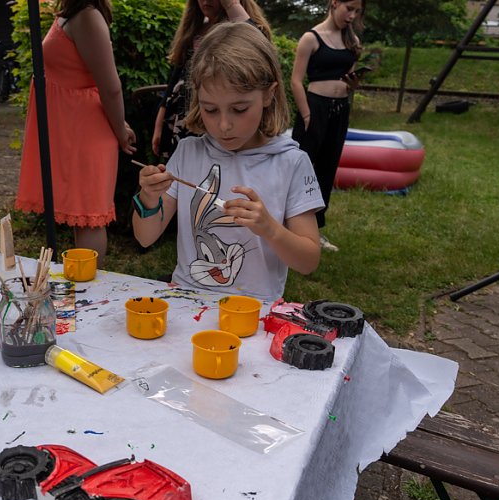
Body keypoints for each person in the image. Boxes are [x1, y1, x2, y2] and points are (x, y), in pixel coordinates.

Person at [134, 22, 324, 302]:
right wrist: (149, 198)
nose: (224, 125)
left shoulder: (291, 163)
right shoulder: (188, 153)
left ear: (269, 95)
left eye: (239, 108)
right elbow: (145, 237)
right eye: (210, 109)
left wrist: (269, 228)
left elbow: (308, 261)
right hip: (186, 302)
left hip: (253, 312)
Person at [16, 0, 136, 267]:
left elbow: (111, 86)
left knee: (90, 218)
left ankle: (89, 290)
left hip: (87, 134)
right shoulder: (74, 13)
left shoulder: (88, 16)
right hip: (74, 132)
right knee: (80, 217)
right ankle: (82, 282)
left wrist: (120, 130)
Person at [152, 0, 270, 159]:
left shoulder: (237, 26)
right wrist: (159, 123)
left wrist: (231, 5)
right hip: (184, 115)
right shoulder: (194, 29)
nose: (206, 1)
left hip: (218, 114)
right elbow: (174, 79)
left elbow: (259, 43)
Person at [290, 0, 364, 252]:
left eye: (357, 11)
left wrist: (354, 84)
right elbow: (296, 81)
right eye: (349, 9)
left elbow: (348, 80)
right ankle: (286, 224)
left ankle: (315, 230)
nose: (352, 15)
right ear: (334, 3)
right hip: (314, 108)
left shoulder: (351, 42)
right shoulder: (311, 38)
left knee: (327, 168)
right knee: (300, 168)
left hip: (340, 110)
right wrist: (308, 115)